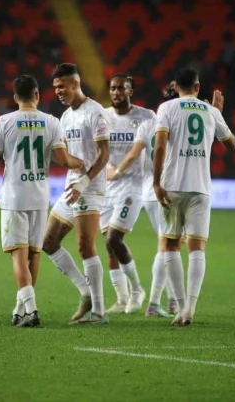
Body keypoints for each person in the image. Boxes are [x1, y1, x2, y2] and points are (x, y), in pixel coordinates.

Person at [0, 75, 85, 328]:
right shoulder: (51, 122)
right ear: (37, 95)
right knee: (33, 255)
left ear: (16, 98)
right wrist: (82, 163)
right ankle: (20, 310)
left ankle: (32, 309)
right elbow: (63, 160)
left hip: (15, 197)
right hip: (40, 197)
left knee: (18, 255)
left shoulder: (4, 121)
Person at [153, 67, 235, 326]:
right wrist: (217, 117)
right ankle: (189, 307)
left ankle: (179, 307)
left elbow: (160, 145)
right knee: (197, 248)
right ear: (198, 87)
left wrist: (156, 182)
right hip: (201, 188)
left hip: (171, 187)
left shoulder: (167, 108)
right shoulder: (211, 111)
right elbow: (231, 144)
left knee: (169, 245)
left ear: (176, 87)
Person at [42, 63, 111, 325]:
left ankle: (100, 313)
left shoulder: (95, 113)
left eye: (62, 86)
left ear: (75, 84)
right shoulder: (66, 116)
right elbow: (71, 154)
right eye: (55, 87)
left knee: (85, 245)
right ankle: (86, 292)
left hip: (89, 188)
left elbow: (104, 154)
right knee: (48, 242)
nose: (58, 91)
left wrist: (85, 181)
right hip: (72, 187)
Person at [108, 81, 181, 317]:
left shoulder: (148, 123)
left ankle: (170, 300)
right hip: (167, 189)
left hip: (149, 190)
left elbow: (134, 152)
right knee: (167, 246)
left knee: (169, 245)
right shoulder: (180, 124)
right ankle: (155, 302)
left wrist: (117, 171)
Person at [99, 74, 156, 315]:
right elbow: (96, 148)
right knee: (108, 245)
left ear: (130, 90)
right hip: (107, 187)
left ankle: (136, 290)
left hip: (133, 185)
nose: (116, 93)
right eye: (112, 88)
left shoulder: (146, 116)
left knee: (114, 239)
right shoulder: (102, 116)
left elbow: (152, 149)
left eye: (121, 88)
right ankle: (121, 299)